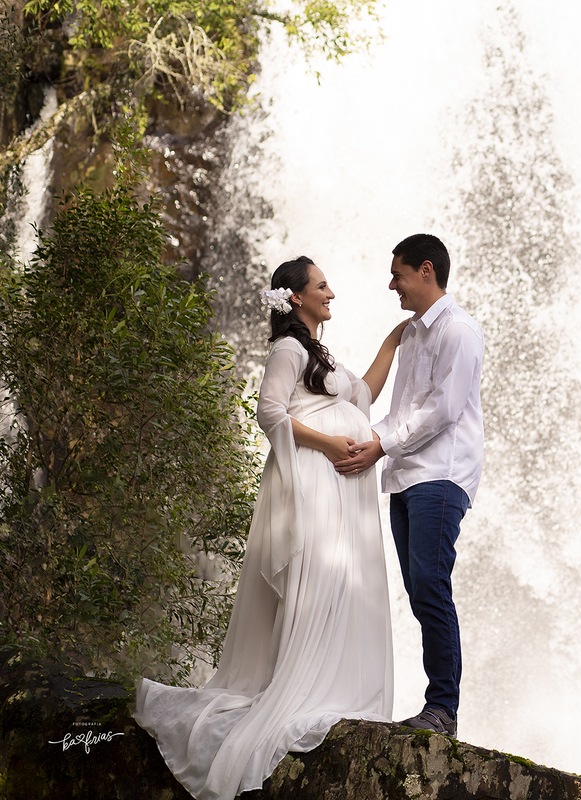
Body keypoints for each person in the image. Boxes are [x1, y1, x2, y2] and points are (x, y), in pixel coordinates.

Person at [134, 256, 407, 800]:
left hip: (336, 486)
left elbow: (364, 395)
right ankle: (296, 684)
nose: (332, 291)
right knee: (313, 580)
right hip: (310, 479)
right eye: (322, 285)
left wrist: (395, 340)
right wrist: (331, 443)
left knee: (334, 584)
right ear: (297, 297)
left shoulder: (318, 354)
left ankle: (326, 682)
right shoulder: (288, 349)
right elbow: (269, 412)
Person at [334, 234, 484, 739]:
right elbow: (402, 410)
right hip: (405, 475)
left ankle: (443, 709)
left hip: (441, 475)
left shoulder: (459, 331)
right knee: (420, 588)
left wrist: (380, 445)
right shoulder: (412, 335)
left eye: (397, 274)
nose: (391, 284)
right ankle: (437, 705)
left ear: (426, 270)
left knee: (429, 582)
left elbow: (443, 410)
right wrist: (370, 440)